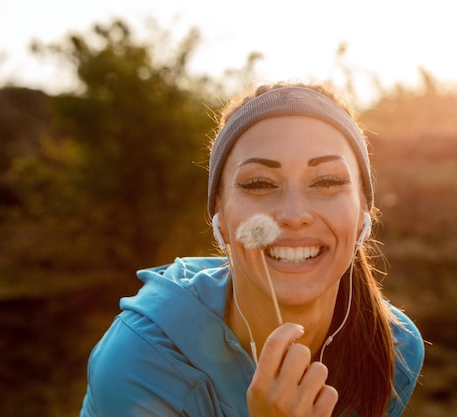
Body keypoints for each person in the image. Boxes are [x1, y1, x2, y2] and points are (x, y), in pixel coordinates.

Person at [80, 82, 424, 417]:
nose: (294, 215)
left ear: (364, 212)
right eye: (259, 184)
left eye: (327, 181)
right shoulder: (138, 366)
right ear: (220, 216)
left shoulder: (394, 349)